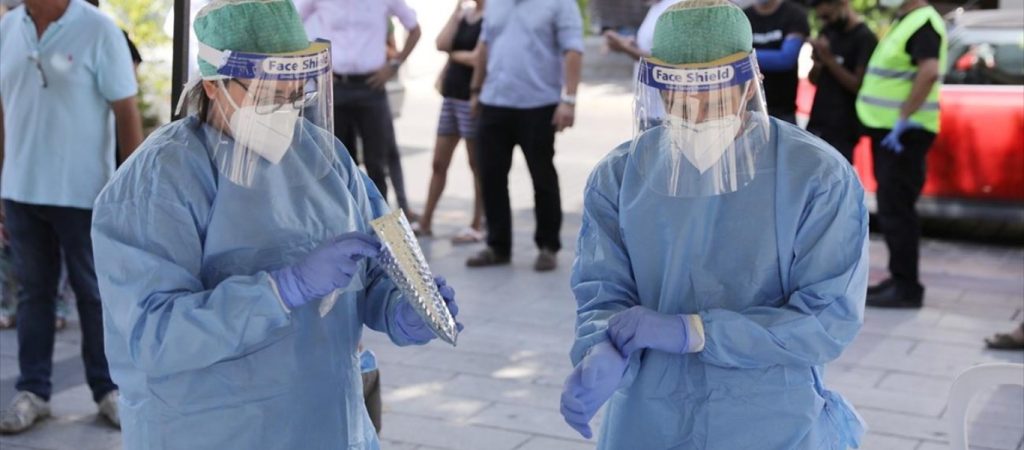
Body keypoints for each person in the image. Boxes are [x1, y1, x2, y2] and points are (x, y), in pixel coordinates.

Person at [90, 1, 462, 447]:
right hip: (214, 430)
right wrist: (281, 290)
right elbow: (152, 336)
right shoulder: (158, 182)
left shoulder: (323, 157)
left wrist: (402, 308)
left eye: (296, 95)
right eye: (269, 96)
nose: (286, 111)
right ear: (213, 85)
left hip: (328, 425)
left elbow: (372, 264)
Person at [559, 1, 869, 448]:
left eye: (713, 94)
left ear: (749, 83)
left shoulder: (815, 176)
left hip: (768, 420)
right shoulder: (621, 175)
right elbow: (601, 289)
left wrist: (696, 332)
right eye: (677, 95)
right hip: (648, 418)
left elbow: (828, 317)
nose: (696, 111)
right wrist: (600, 347)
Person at [0, 0, 143, 433]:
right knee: (33, 295)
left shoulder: (99, 30)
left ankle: (109, 390)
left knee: (95, 295)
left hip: (85, 195)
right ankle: (33, 392)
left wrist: (131, 193)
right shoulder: (8, 29)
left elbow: (126, 112)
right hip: (20, 191)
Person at [466, 0, 584, 272]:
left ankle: (548, 246)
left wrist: (569, 100)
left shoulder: (560, 4)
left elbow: (573, 50)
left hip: (539, 105)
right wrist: (475, 90)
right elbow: (484, 46)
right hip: (494, 101)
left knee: (542, 177)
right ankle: (497, 246)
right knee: (491, 176)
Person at [857, 0, 946, 309]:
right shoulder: (907, 19)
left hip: (904, 135)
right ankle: (899, 279)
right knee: (892, 208)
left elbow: (929, 71)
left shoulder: (923, 22)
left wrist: (904, 117)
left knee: (898, 211)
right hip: (892, 133)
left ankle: (906, 288)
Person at [297, 0, 421, 204]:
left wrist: (394, 65)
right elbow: (295, 25)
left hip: (372, 87)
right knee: (339, 163)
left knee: (376, 165)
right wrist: (316, 66)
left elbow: (414, 29)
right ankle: (348, 219)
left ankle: (380, 220)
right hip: (337, 87)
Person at [415, 0, 485, 243]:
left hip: (472, 99)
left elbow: (479, 58)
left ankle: (477, 223)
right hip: (451, 97)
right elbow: (441, 43)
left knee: (476, 165)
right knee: (438, 163)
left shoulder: (491, 18)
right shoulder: (465, 15)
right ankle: (425, 221)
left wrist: (454, 55)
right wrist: (456, 10)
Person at [807, 0, 877, 163]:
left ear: (843, 4)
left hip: (844, 126)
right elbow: (813, 79)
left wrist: (829, 59)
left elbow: (858, 85)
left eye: (828, 16)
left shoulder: (864, 37)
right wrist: (817, 63)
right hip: (819, 119)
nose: (826, 21)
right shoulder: (828, 32)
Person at [745, 0, 809, 124]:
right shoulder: (742, 17)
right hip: (748, 109)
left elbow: (786, 59)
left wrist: (745, 57)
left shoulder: (794, 14)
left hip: (783, 110)